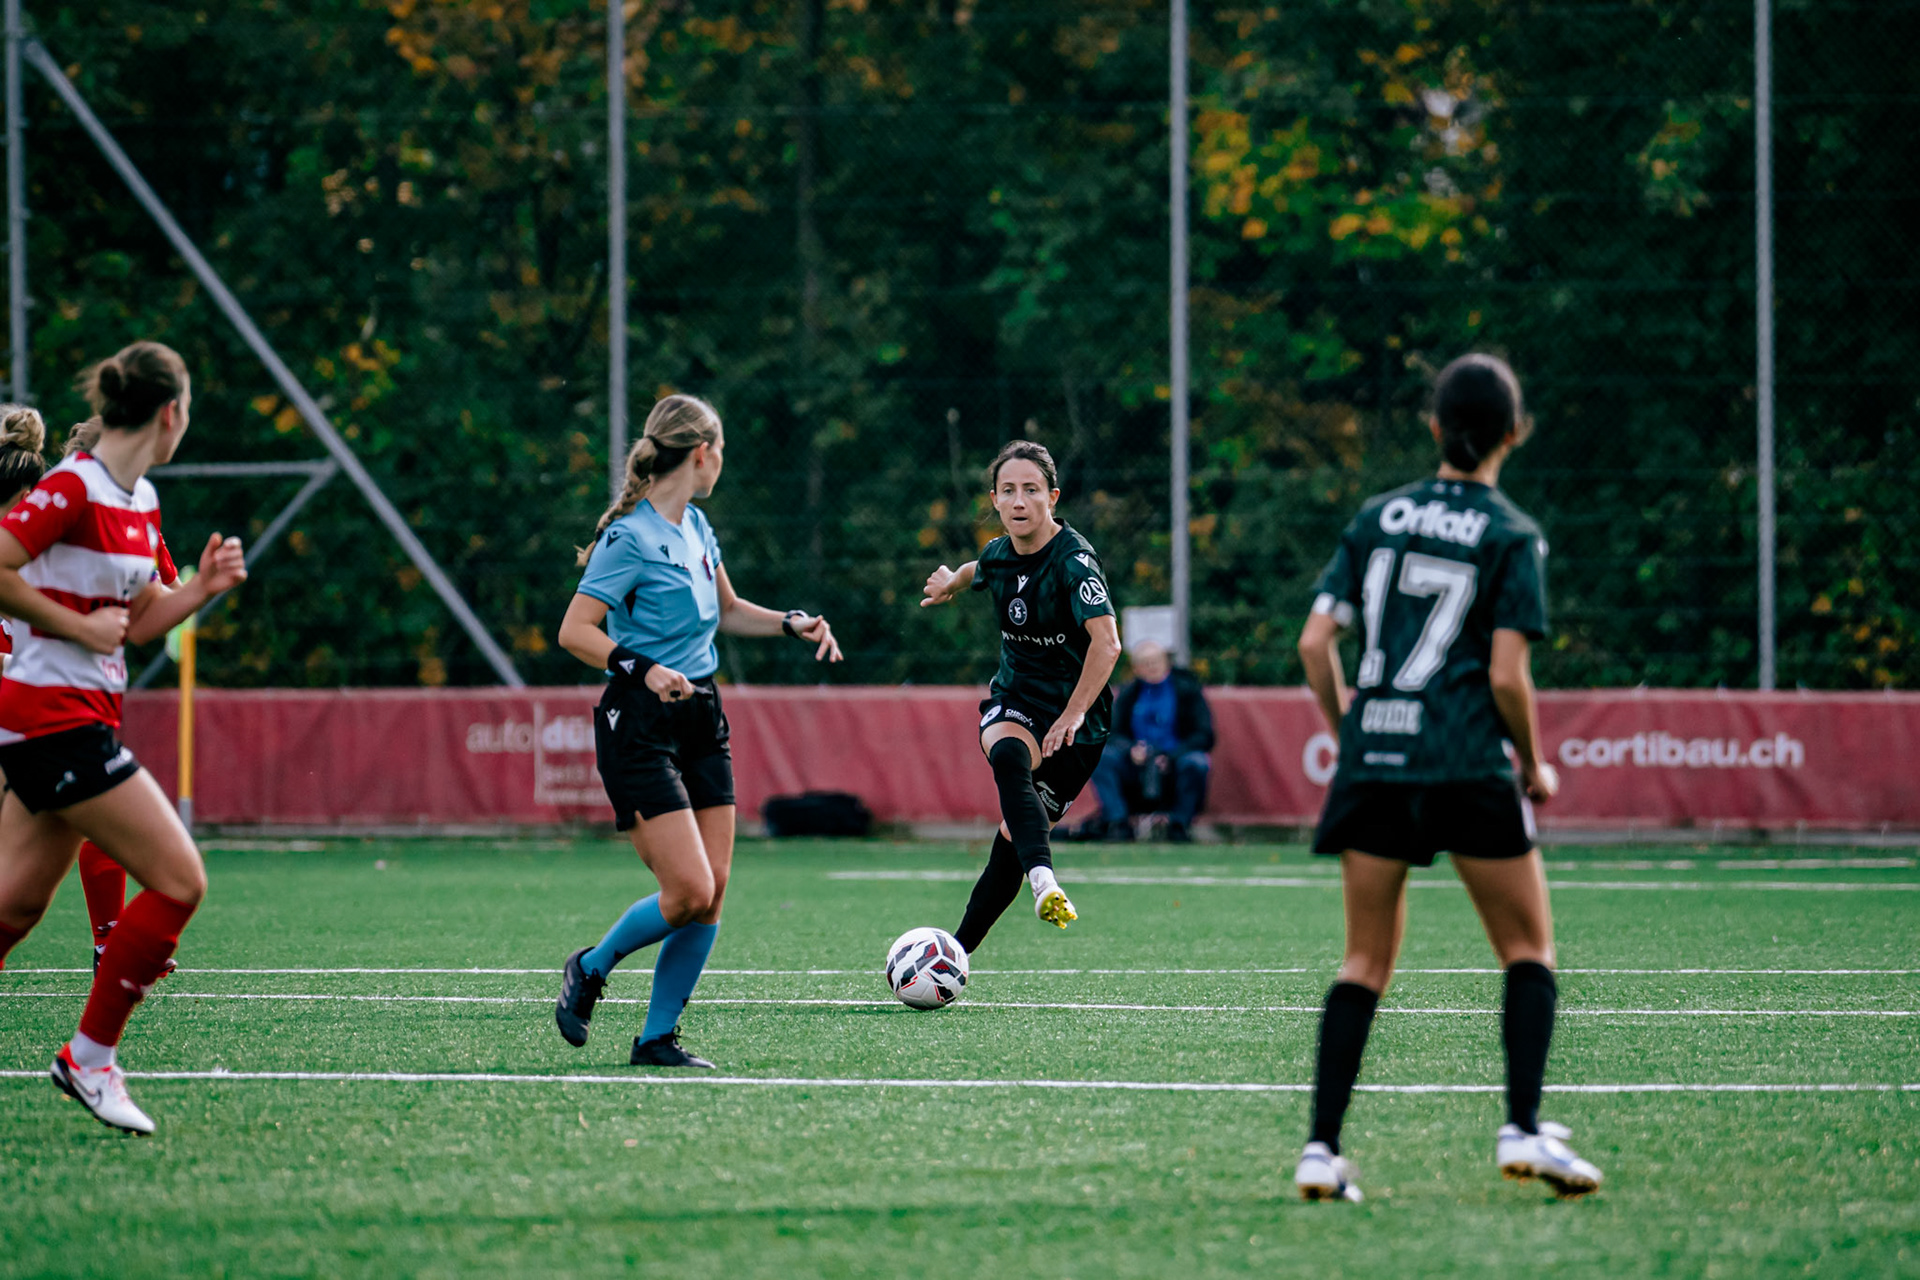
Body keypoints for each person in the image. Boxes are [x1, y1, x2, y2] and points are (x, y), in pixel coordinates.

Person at [1290, 354, 1601, 1201]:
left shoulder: (1375, 516)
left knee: (1363, 959)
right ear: (1515, 432)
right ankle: (1524, 1129)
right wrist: (1533, 762)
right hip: (1464, 760)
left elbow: (1315, 645)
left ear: (1433, 427)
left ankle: (1321, 1149)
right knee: (1527, 950)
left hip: (1377, 764)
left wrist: (1349, 729)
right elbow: (1506, 676)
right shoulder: (1511, 533)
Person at [0, 341, 247, 1135]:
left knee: (14, 903)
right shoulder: (72, 485)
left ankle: (90, 1057)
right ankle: (89, 1059)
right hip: (53, 720)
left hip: (74, 719)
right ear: (170, 413)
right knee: (181, 880)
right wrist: (77, 625)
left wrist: (201, 590)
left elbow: (136, 625)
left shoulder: (138, 500)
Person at [552, 393, 840, 1069]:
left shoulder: (698, 529)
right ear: (703, 453)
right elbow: (574, 632)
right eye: (722, 454)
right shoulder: (629, 537)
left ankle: (656, 1039)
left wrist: (793, 622)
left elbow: (729, 611)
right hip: (640, 721)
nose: (721, 466)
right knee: (687, 892)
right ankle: (590, 968)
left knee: (714, 891)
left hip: (702, 715)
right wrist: (645, 669)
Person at [920, 440, 1122, 952]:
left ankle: (957, 951)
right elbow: (978, 569)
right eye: (1008, 490)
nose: (1018, 501)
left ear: (1052, 497)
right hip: (1017, 698)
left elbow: (1108, 642)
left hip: (1081, 721)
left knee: (1012, 841)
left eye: (1031, 490)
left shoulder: (1074, 562)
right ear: (994, 500)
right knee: (1008, 753)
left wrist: (1073, 714)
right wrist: (951, 583)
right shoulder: (999, 554)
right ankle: (1044, 881)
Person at [1084, 639, 1215, 842]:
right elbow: (1113, 733)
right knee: (1102, 758)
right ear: (1136, 668)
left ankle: (1179, 825)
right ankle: (1117, 823)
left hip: (1175, 763)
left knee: (1197, 762)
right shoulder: (1129, 694)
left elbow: (1204, 735)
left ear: (1166, 662)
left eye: (1156, 661)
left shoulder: (1187, 690)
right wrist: (1131, 751)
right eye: (1146, 663)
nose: (1152, 667)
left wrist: (1171, 756)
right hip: (1137, 766)